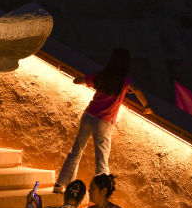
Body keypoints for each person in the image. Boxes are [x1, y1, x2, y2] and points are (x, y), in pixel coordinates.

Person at [54, 49, 153, 193]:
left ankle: (60, 185)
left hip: (88, 116)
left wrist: (92, 81)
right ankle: (100, 192)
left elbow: (77, 81)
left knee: (76, 151)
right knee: (102, 158)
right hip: (104, 122)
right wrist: (148, 107)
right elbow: (138, 91)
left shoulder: (101, 75)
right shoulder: (125, 80)